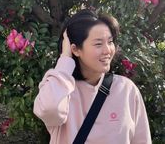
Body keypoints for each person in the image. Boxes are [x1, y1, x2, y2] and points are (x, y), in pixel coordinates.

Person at [33, 9, 152, 144]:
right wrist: (66, 58)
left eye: (110, 41)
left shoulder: (126, 90)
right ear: (75, 49)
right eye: (98, 44)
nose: (108, 50)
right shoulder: (61, 89)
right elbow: (49, 110)